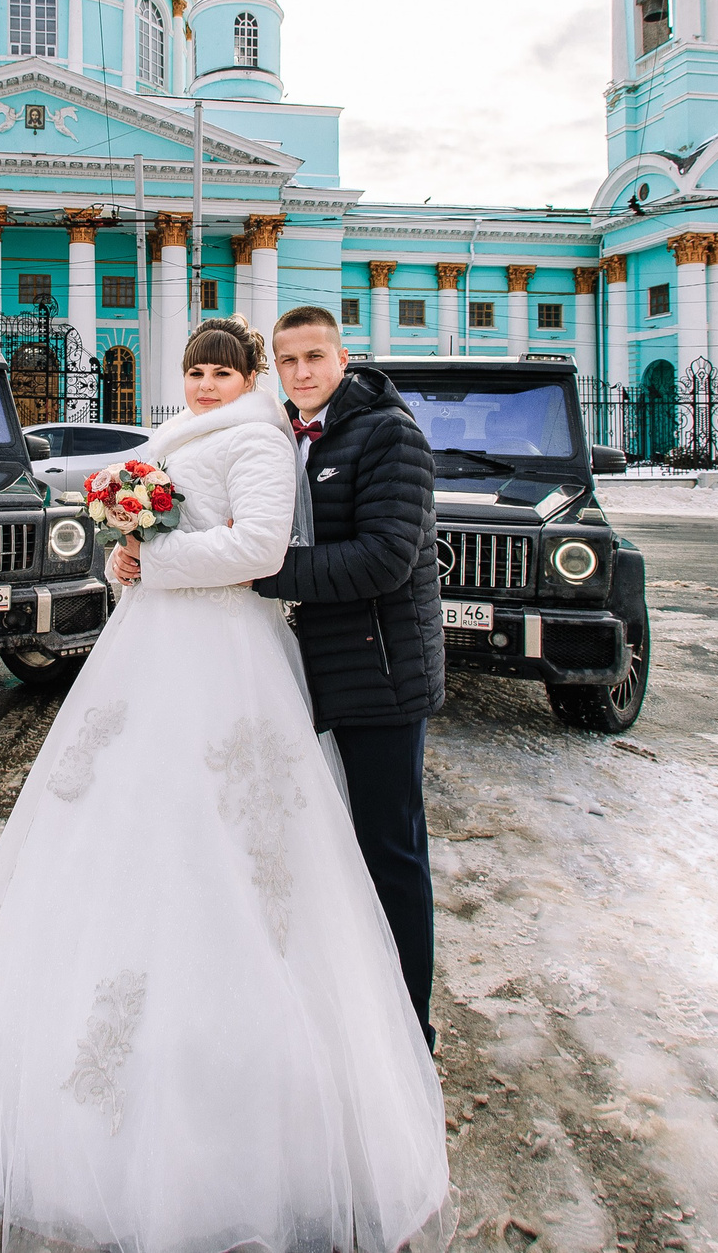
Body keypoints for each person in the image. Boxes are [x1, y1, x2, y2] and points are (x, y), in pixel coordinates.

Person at [0, 318, 451, 1253]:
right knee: (140, 825)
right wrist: (125, 559)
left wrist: (154, 560)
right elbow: (155, 534)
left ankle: (398, 1033)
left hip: (260, 653)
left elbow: (258, 548)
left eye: (225, 370)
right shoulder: (182, 437)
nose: (208, 384)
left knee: (344, 848)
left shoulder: (265, 436)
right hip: (162, 648)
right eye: (198, 371)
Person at [255, 305, 445, 1048]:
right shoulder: (297, 435)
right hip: (329, 671)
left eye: (314, 356)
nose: (302, 371)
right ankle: (362, 1012)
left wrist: (262, 572)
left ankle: (410, 1027)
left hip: (383, 675)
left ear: (343, 357)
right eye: (289, 360)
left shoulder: (388, 433)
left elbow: (383, 558)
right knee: (339, 852)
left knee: (391, 853)